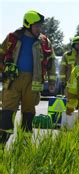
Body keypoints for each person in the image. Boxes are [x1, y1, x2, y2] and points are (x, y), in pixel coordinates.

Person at [0, 10, 56, 145]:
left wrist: (52, 81)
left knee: (29, 113)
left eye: (40, 26)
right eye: (37, 26)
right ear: (28, 25)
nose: (39, 29)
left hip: (33, 82)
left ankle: (24, 144)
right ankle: (2, 144)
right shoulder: (13, 38)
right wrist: (5, 69)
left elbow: (51, 62)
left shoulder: (44, 41)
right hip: (13, 80)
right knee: (7, 111)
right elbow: (0, 55)